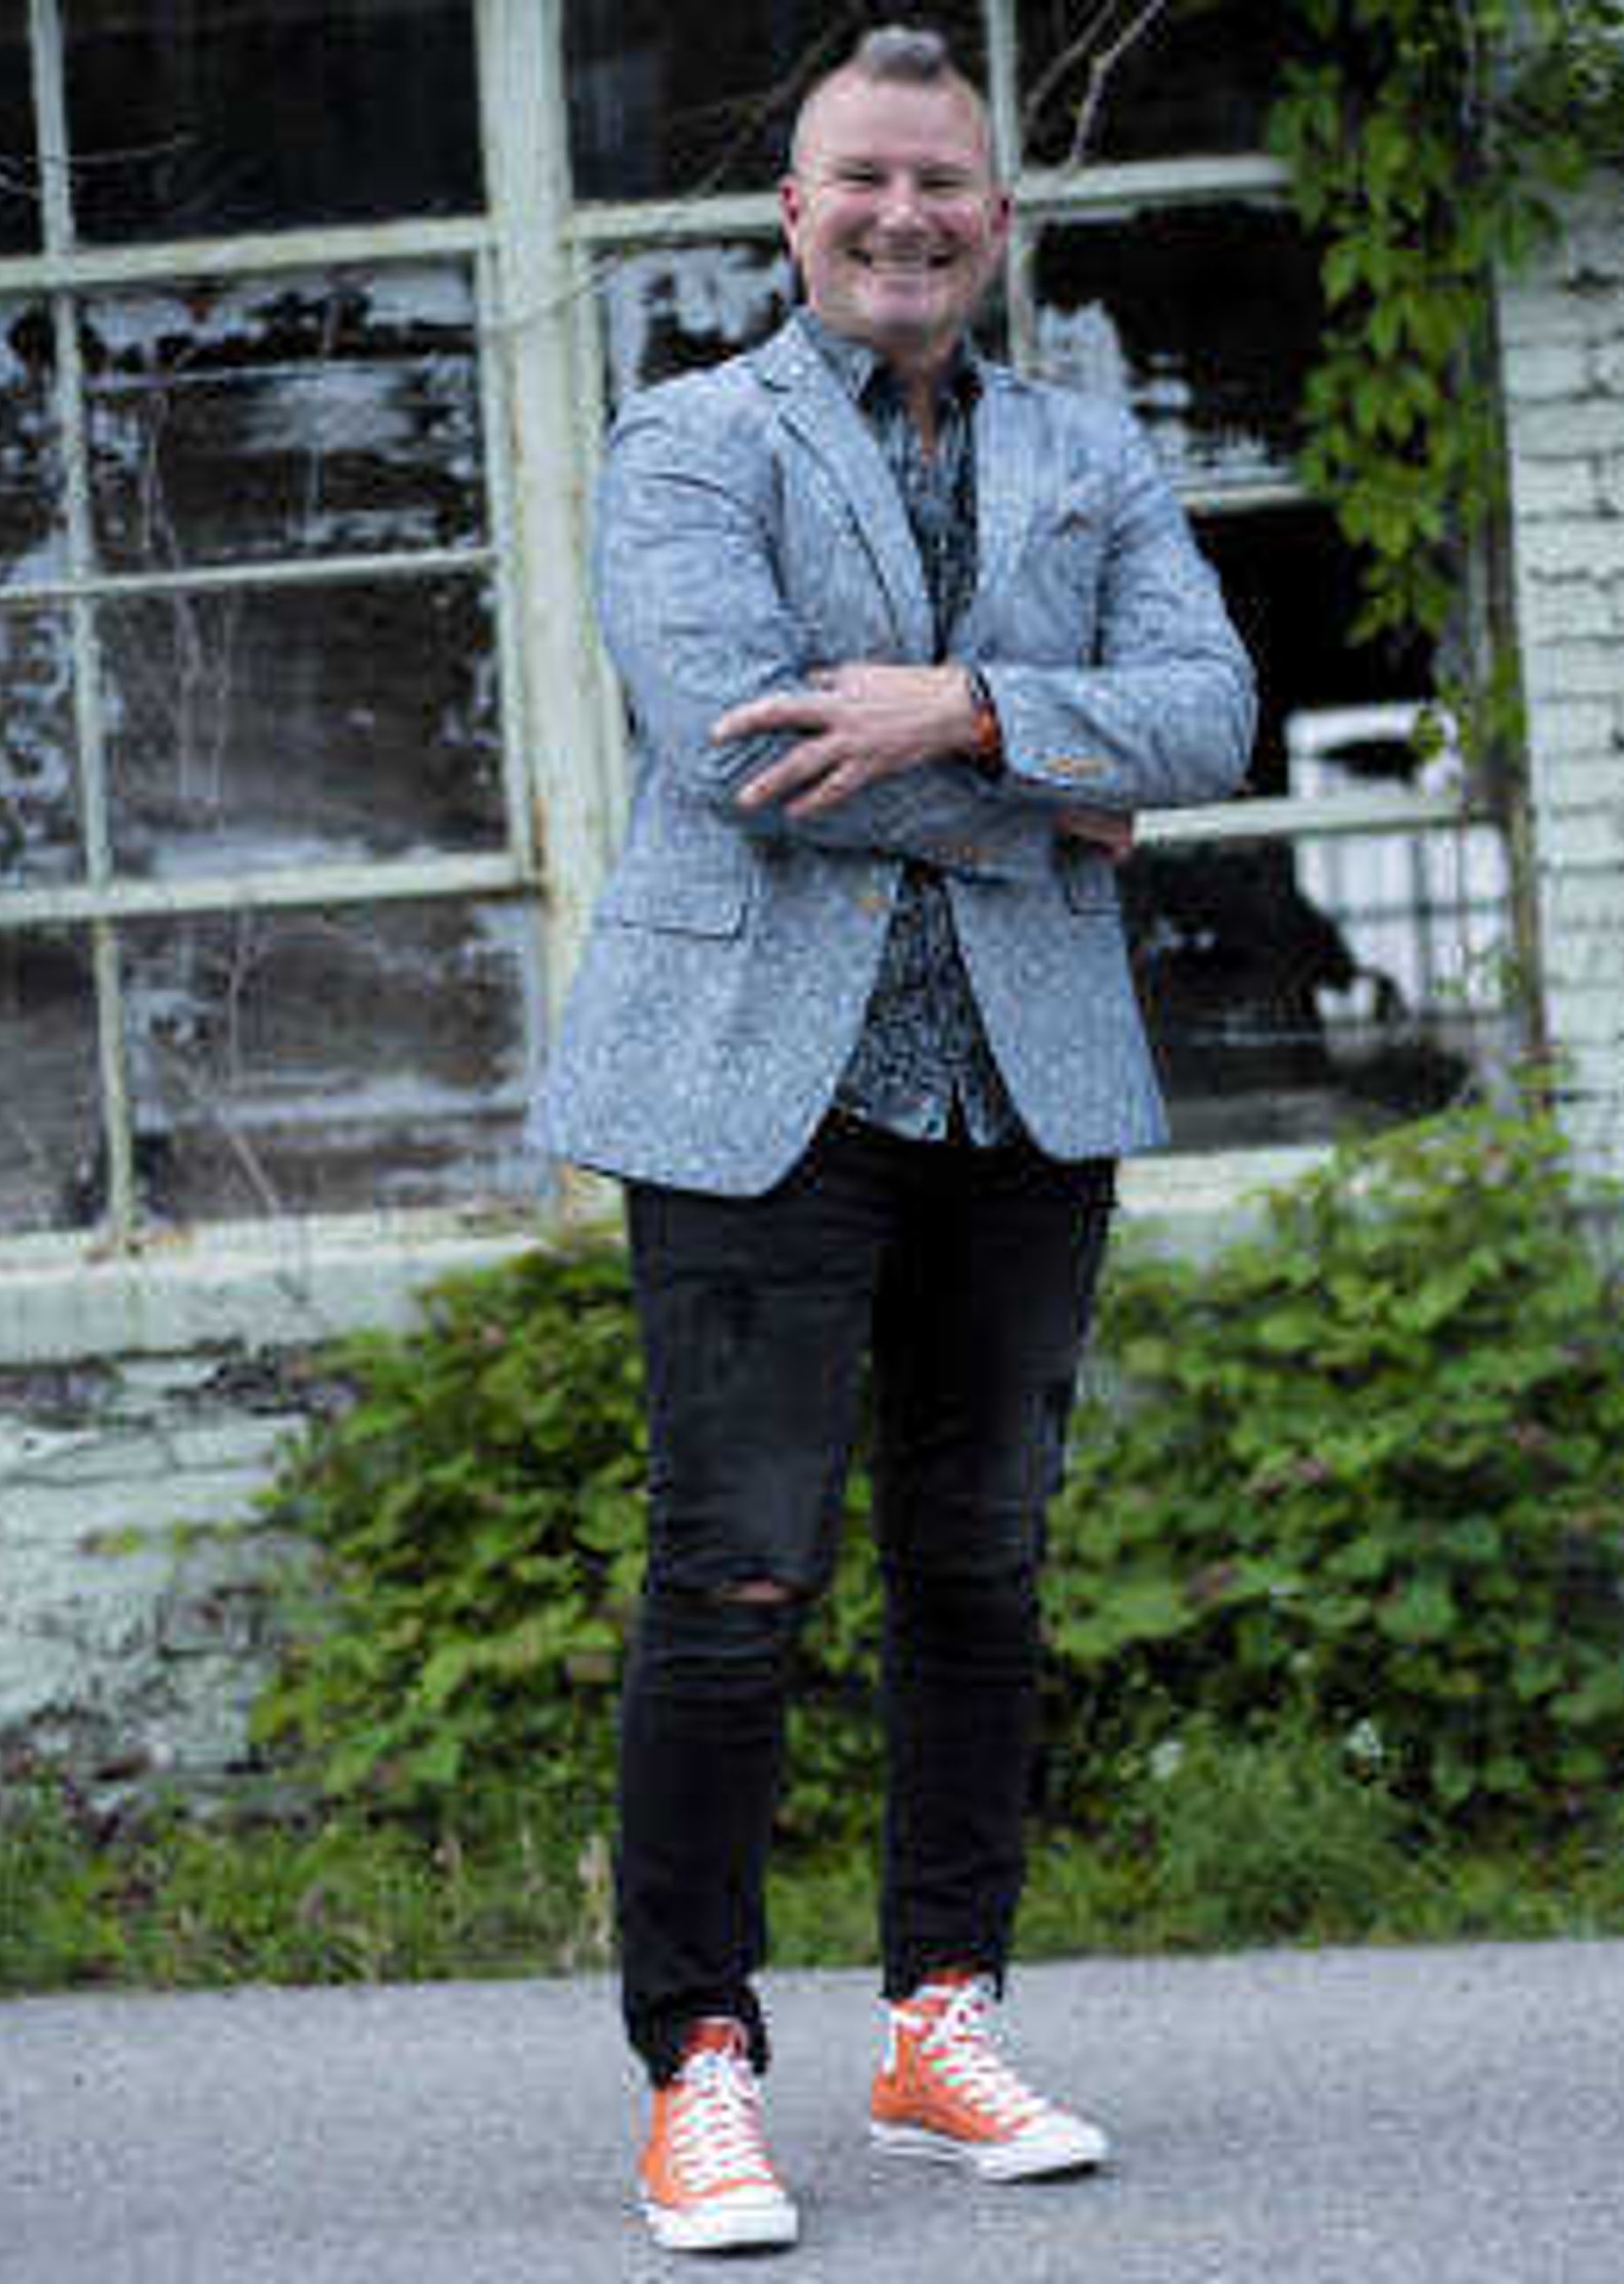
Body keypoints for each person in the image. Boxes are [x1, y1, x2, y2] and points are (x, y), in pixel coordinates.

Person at [525, 22, 1255, 2256]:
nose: (904, 217)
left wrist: (962, 708)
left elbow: (1213, 710)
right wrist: (1061, 799)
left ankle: (944, 2018)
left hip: (1022, 1096)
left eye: (944, 183)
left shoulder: (1089, 454)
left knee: (981, 1572)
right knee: (734, 1583)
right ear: (795, 210)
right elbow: (745, 753)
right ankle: (702, 2072)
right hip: (759, 1091)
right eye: (863, 180)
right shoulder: (685, 443)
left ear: (997, 219)